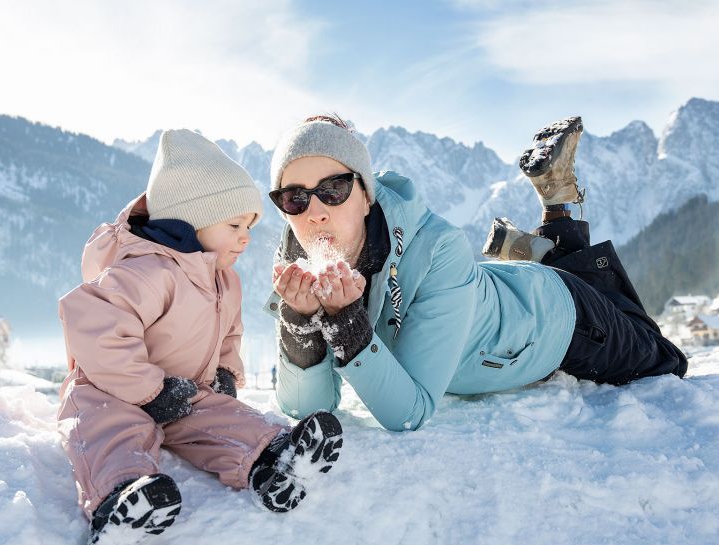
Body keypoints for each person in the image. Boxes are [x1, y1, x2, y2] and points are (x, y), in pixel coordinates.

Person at [265, 115, 687, 432]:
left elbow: (409, 413)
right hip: (496, 293)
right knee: (588, 281)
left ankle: (550, 232)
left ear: (364, 195)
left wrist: (346, 322)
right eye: (295, 198)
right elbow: (308, 409)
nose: (315, 212)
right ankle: (548, 230)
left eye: (333, 189)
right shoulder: (298, 266)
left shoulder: (437, 245)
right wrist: (299, 324)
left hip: (557, 320)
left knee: (663, 357)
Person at [58, 130, 343, 545]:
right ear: (191, 221)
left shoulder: (224, 278)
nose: (246, 237)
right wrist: (148, 391)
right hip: (109, 389)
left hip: (179, 391)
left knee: (220, 415)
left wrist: (226, 374)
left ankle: (271, 459)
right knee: (112, 432)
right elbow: (94, 326)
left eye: (248, 227)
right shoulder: (144, 271)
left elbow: (229, 333)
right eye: (234, 226)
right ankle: (122, 500)